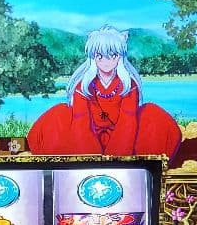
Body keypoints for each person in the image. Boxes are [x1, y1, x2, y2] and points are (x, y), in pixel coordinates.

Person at [27, 25, 181, 158]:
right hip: (86, 137)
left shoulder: (129, 85)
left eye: (113, 55)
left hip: (124, 136)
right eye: (100, 56)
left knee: (151, 115)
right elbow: (81, 123)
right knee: (60, 115)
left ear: (120, 56)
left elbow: (128, 122)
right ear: (93, 57)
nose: (106, 61)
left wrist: (117, 159)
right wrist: (91, 159)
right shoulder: (83, 86)